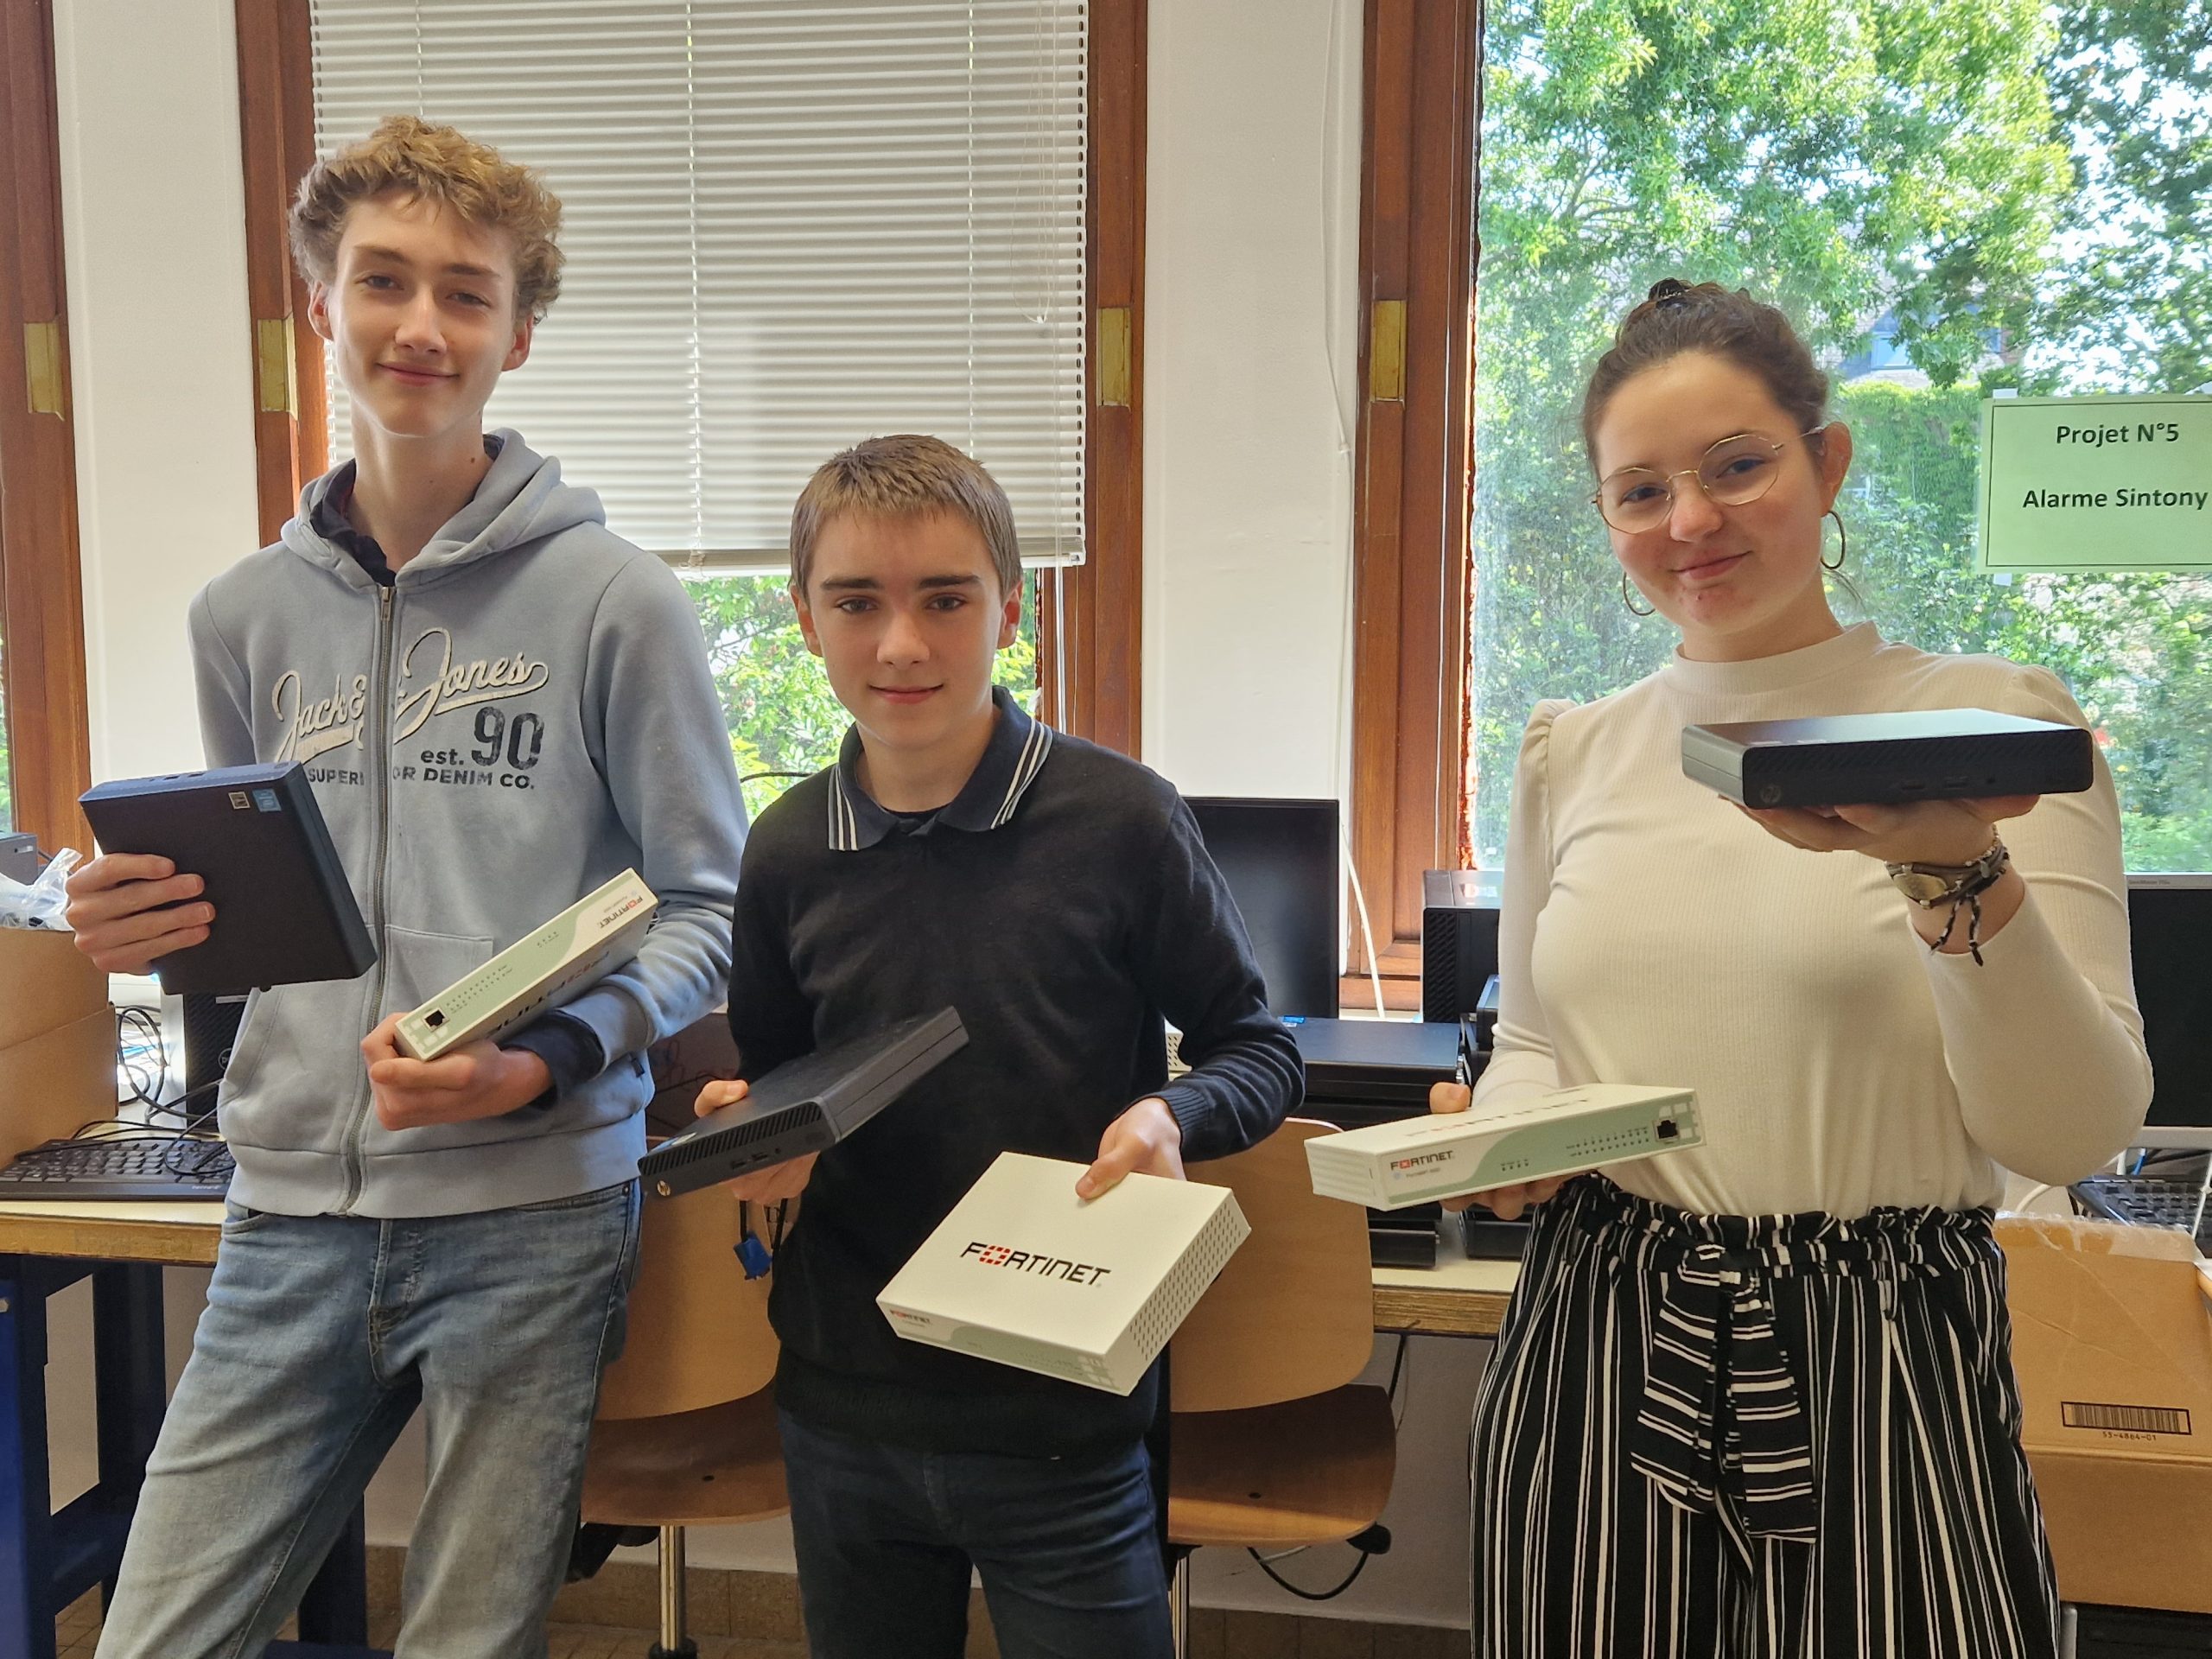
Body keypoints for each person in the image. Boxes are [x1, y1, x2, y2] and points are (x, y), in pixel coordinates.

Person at [64, 117, 747, 1657]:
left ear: (519, 334)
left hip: (536, 1210)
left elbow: (707, 910)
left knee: (468, 1638)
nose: (421, 325)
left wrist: (546, 1059)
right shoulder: (241, 615)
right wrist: (148, 929)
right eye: (382, 280)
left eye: (465, 292)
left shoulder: (618, 602)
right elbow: (269, 915)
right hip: (290, 1207)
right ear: (320, 301)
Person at [1433, 280, 2152, 1658]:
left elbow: (2071, 1131)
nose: (1689, 522)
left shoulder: (1988, 728)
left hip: (1884, 1340)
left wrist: (1953, 867)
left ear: (1827, 464)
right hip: (1598, 1327)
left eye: (1736, 466)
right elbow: (1533, 1039)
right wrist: (1506, 1139)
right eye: (1641, 491)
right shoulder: (1574, 750)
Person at [691, 433, 1303, 1659]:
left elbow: (1258, 1048)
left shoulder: (1122, 819)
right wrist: (750, 1136)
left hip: (1063, 1410)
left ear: (1010, 611)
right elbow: (778, 1079)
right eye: (855, 603)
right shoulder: (786, 847)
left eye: (945, 599)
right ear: (805, 621)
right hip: (844, 1403)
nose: (900, 645)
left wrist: (1171, 1114)